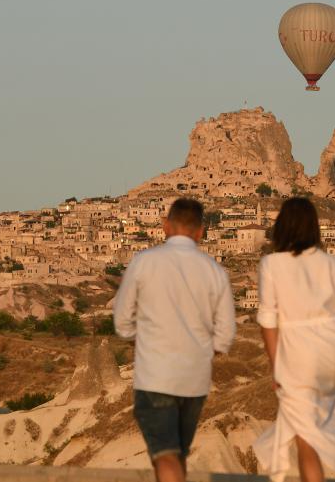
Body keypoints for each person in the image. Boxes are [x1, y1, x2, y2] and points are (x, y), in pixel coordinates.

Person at [113, 198, 236, 482]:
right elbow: (226, 334)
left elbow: (121, 321)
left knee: (166, 455)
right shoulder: (215, 271)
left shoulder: (144, 262)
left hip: (155, 376)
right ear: (201, 231)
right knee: (176, 455)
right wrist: (202, 353)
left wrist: (140, 343)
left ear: (165, 226)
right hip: (195, 381)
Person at [253, 197, 335, 482]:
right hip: (334, 351)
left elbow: (267, 320)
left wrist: (277, 367)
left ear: (282, 228)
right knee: (309, 422)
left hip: (299, 351)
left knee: (305, 436)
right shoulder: (331, 263)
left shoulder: (272, 264)